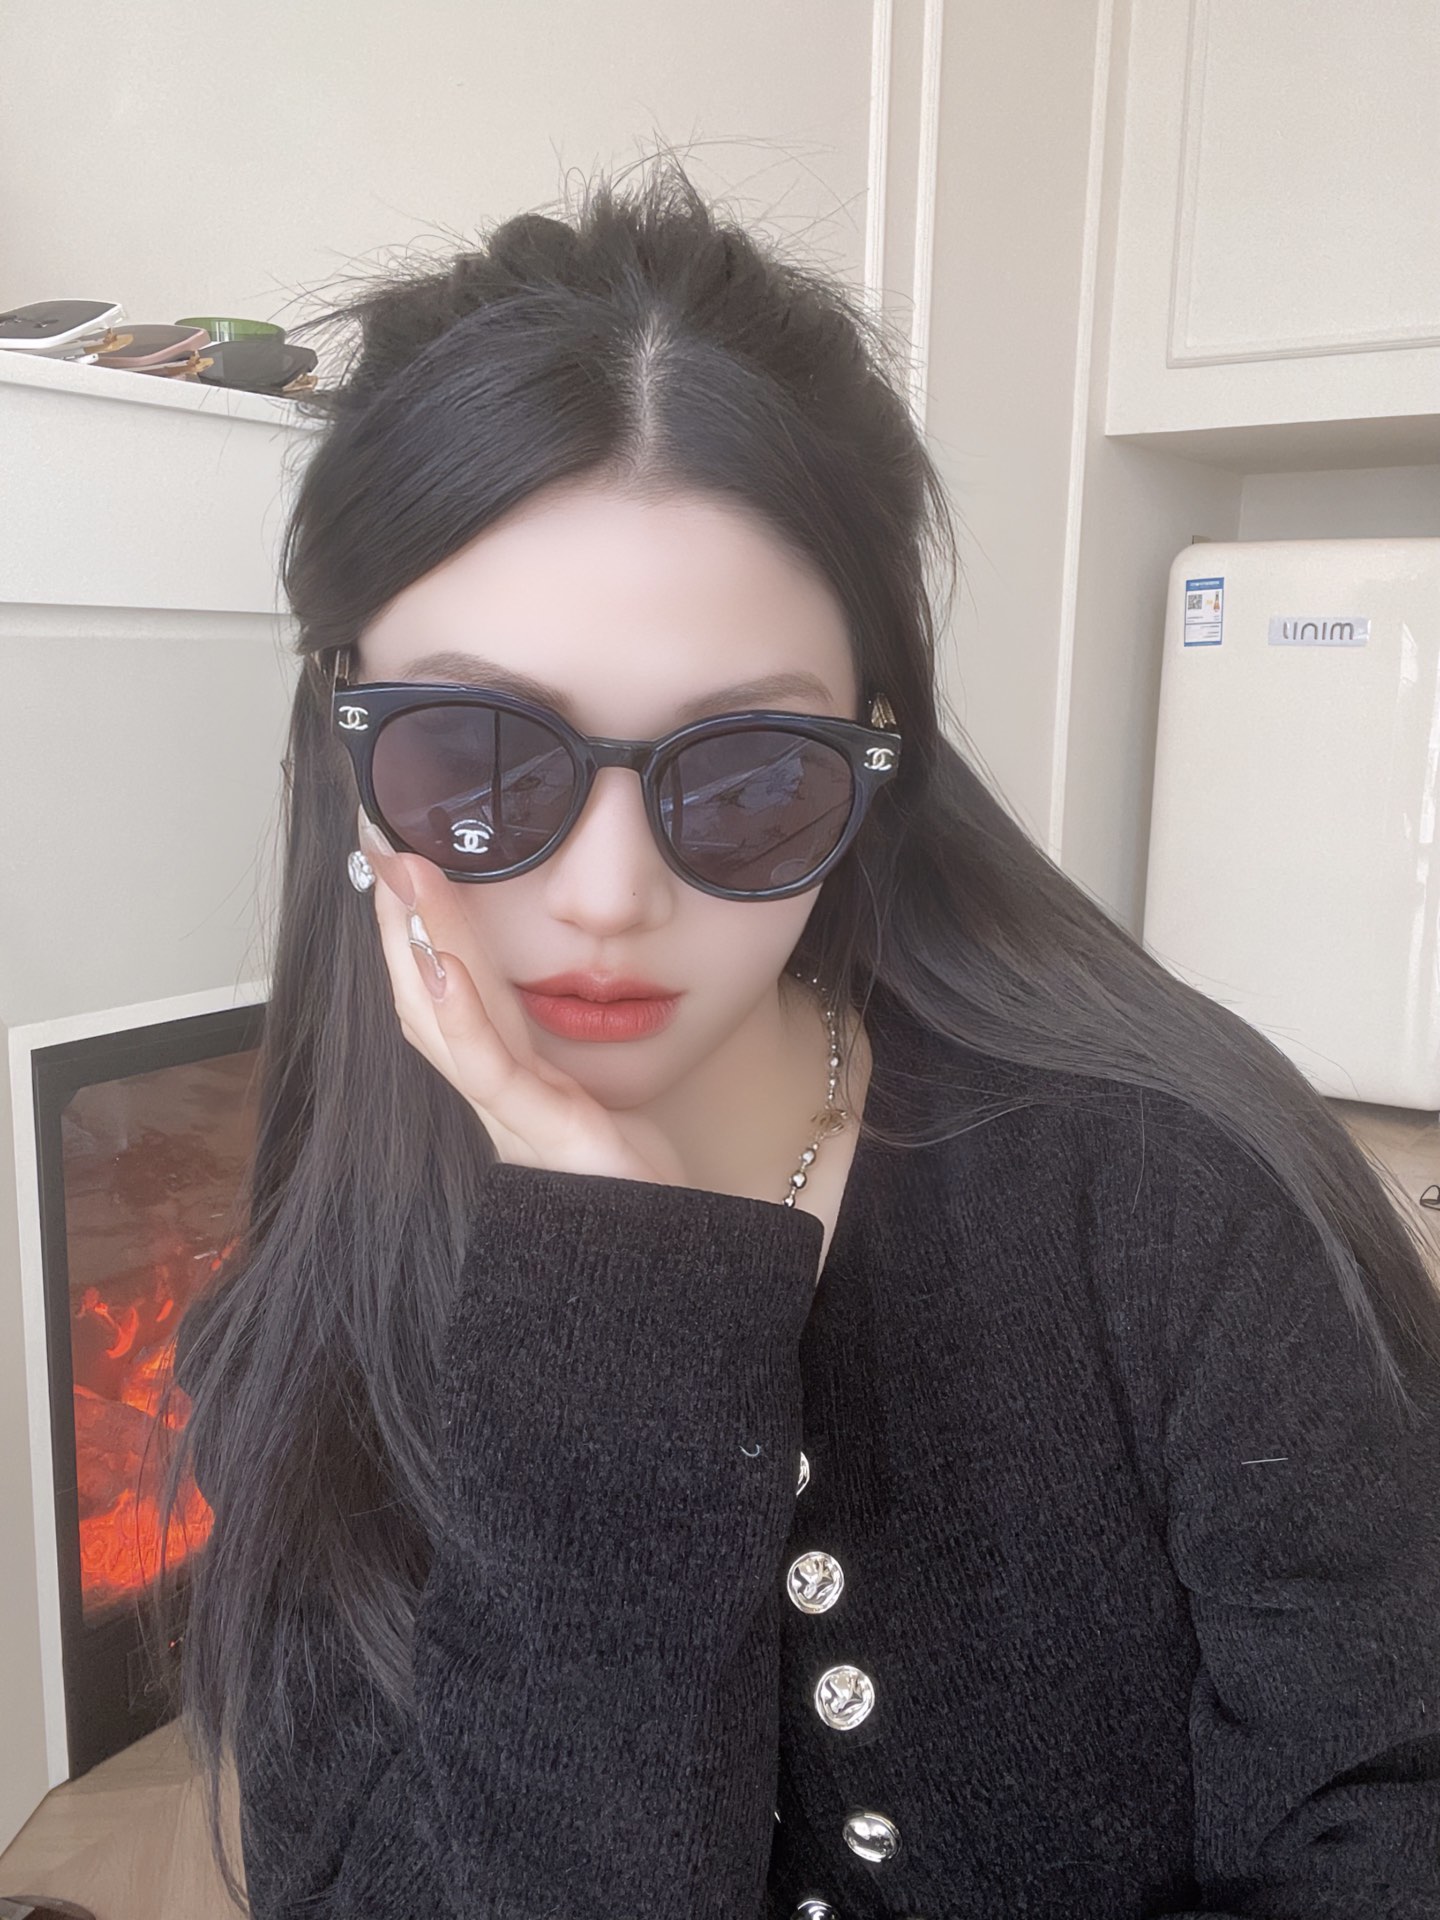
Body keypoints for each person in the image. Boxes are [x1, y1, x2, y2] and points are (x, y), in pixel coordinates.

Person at [155, 152, 1440, 1920]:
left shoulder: (1178, 1203)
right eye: (476, 757)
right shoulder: (316, 1322)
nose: (608, 898)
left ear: (874, 756)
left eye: (750, 774)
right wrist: (611, 1290)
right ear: (342, 745)